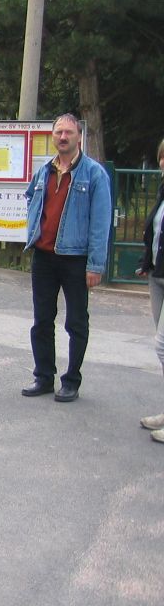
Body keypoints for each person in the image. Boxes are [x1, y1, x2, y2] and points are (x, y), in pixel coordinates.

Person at [21, 113, 112, 403]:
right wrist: (34, 231)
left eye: (68, 132)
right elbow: (31, 198)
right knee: (41, 320)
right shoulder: (44, 171)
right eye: (58, 132)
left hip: (76, 259)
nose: (63, 137)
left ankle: (71, 380)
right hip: (44, 257)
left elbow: (101, 222)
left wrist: (95, 265)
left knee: (76, 322)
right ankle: (43, 377)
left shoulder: (94, 174)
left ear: (79, 137)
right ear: (53, 136)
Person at [137, 137, 164, 443]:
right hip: (157, 275)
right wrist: (147, 261)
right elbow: (155, 233)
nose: (163, 163)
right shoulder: (162, 191)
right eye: (162, 157)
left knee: (163, 346)